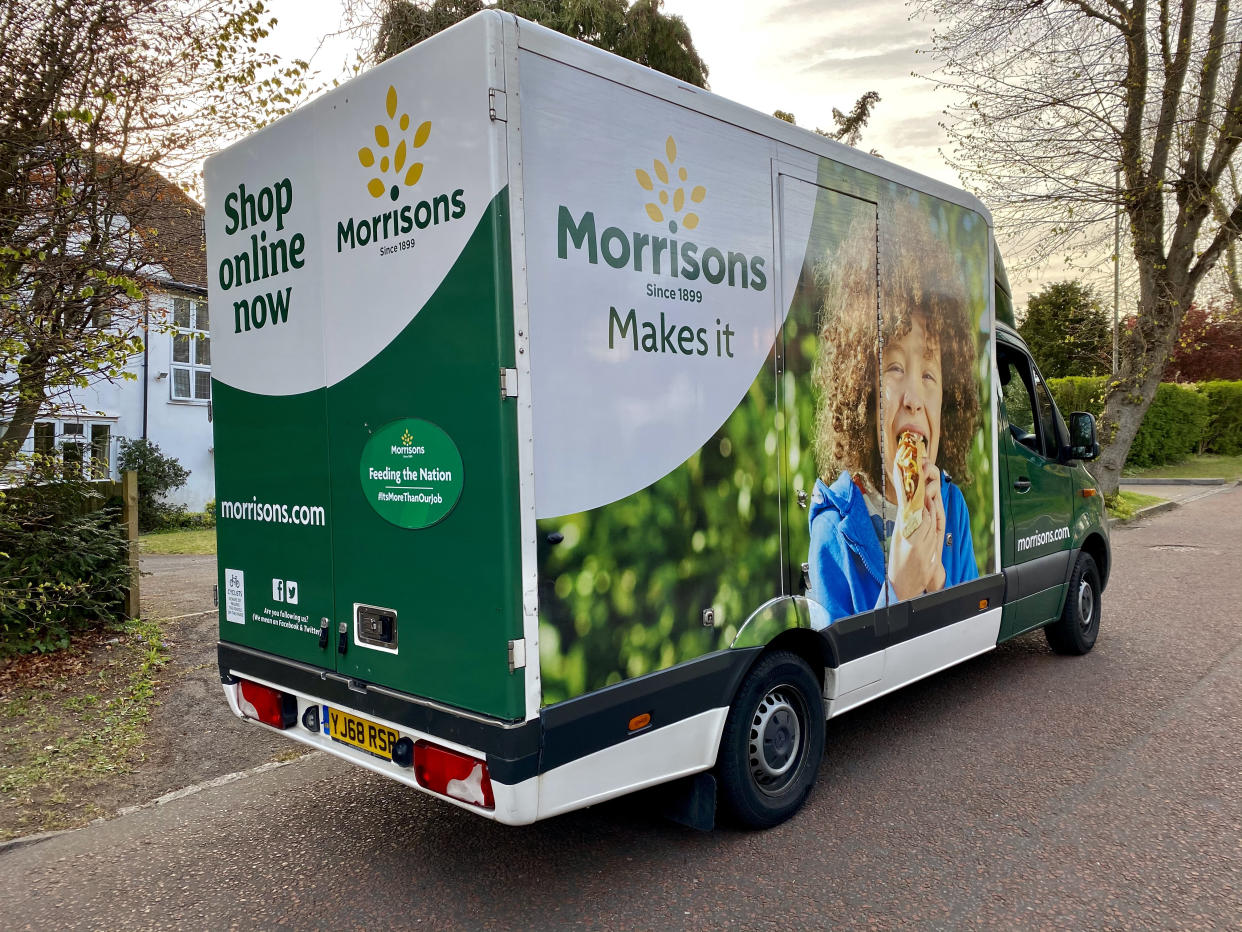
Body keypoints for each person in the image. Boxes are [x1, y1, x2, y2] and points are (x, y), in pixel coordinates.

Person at [807, 203, 980, 623]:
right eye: (895, 368)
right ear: (859, 389)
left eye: (929, 374)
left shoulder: (952, 508)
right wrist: (901, 589)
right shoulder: (835, 531)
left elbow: (970, 642)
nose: (913, 398)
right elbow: (843, 669)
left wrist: (938, 581)